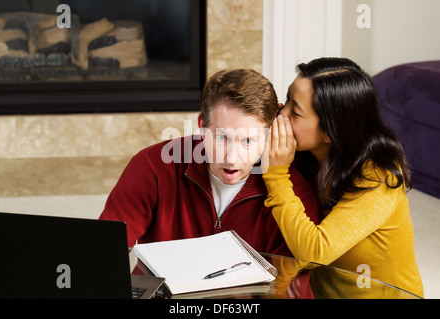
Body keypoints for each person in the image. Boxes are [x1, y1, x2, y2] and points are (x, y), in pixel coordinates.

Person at [99, 69, 319, 260]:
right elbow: (103, 252)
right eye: (222, 138)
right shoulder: (152, 166)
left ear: (269, 134)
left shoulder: (292, 193)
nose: (232, 158)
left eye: (248, 141)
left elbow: (293, 286)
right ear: (202, 126)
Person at [262, 57, 424, 298]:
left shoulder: (378, 176)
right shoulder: (306, 155)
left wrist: (275, 174)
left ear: (330, 131)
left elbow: (314, 251)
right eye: (287, 99)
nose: (281, 115)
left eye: (294, 112)